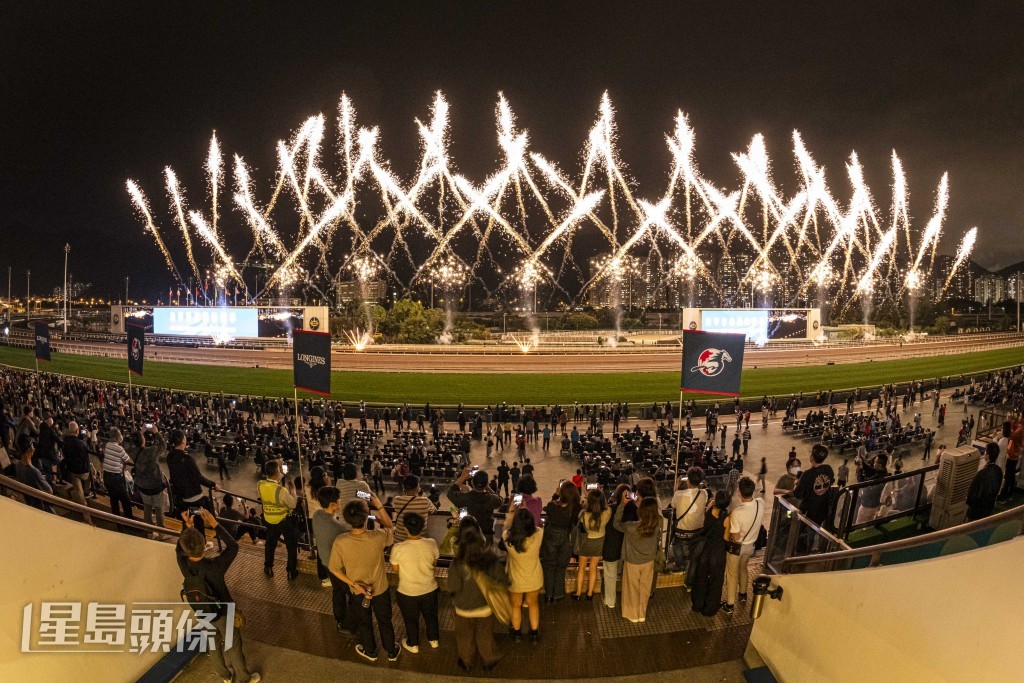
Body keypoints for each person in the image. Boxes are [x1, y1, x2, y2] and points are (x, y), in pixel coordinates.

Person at [177, 507, 261, 683]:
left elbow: (179, 550)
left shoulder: (184, 565)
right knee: (233, 644)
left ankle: (224, 676)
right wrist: (215, 523)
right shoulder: (215, 565)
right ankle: (244, 678)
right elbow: (233, 546)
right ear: (204, 544)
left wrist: (187, 527)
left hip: (202, 611)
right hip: (223, 612)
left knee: (213, 644)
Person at [329, 495, 397, 662]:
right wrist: (379, 506)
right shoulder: (377, 536)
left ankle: (370, 651)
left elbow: (333, 568)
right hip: (380, 589)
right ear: (367, 517)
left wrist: (354, 584)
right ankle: (391, 651)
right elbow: (390, 528)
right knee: (385, 621)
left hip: (358, 592)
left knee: (364, 622)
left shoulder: (341, 541)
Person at [446, 522, 508, 672]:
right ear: (482, 541)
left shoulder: (457, 564)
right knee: (485, 634)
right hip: (485, 608)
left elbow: (453, 587)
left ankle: (466, 661)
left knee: (464, 637)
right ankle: (489, 659)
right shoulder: (490, 561)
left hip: (463, 609)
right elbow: (502, 581)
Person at [390, 512, 441, 653]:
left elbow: (396, 569)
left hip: (407, 591)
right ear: (422, 527)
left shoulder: (398, 548)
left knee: (410, 619)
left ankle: (413, 644)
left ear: (405, 528)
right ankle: (434, 640)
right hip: (429, 589)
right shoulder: (431, 543)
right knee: (431, 616)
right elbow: (434, 562)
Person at [312, 486, 356, 634]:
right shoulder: (338, 528)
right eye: (338, 500)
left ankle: (339, 619)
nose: (340, 501)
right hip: (338, 568)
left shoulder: (317, 515)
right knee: (352, 594)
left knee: (337, 592)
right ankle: (348, 624)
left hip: (326, 562)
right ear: (332, 504)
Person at [613, 495, 661, 623]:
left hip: (633, 562)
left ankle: (633, 614)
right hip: (648, 562)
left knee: (632, 588)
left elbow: (616, 524)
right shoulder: (657, 525)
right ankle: (641, 614)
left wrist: (622, 505)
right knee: (645, 589)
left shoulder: (631, 527)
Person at [502, 507, 543, 642]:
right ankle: (534, 635)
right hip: (534, 577)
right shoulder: (539, 534)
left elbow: (507, 528)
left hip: (515, 578)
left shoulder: (507, 538)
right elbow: (537, 527)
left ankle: (517, 634)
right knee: (533, 604)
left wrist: (511, 512)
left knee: (516, 605)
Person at [723, 477, 763, 615]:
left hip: (737, 548)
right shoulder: (760, 503)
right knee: (743, 568)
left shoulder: (737, 513)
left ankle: (730, 604)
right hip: (750, 546)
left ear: (739, 493)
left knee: (732, 574)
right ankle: (743, 594)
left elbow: (736, 536)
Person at [540, 480, 580, 603]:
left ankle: (548, 595)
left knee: (549, 565)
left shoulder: (553, 507)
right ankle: (558, 594)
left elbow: (547, 507)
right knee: (561, 566)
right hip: (565, 537)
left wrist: (555, 495)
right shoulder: (575, 509)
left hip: (551, 536)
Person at [690, 490, 729, 617]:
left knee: (700, 578)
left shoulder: (708, 511)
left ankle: (697, 605)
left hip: (705, 550)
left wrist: (711, 503)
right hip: (717, 552)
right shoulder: (727, 518)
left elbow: (704, 525)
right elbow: (726, 538)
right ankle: (710, 609)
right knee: (716, 581)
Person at [258, 460, 299, 579]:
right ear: (277, 472)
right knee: (291, 546)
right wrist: (293, 491)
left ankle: (268, 567)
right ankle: (291, 572)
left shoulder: (260, 484)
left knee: (270, 544)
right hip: (284, 521)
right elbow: (293, 505)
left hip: (269, 519)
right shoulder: (281, 490)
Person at [167, 429, 218, 522]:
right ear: (183, 441)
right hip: (195, 499)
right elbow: (199, 477)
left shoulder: (170, 456)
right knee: (199, 522)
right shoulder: (187, 458)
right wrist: (213, 484)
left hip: (182, 499)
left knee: (186, 522)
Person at [669, 467, 707, 586]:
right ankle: (689, 579)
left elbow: (673, 504)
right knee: (693, 555)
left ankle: (679, 565)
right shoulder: (704, 493)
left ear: (688, 480)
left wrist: (676, 486)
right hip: (698, 531)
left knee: (676, 545)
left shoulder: (679, 494)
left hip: (682, 531)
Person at [447, 467, 502, 545]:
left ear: (472, 483)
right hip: (486, 535)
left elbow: (450, 493)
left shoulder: (465, 497)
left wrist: (462, 478)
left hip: (469, 535)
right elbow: (500, 500)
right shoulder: (491, 499)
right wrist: (488, 488)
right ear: (487, 484)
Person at [575, 487, 610, 600]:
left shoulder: (583, 514)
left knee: (581, 567)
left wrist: (586, 499)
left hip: (585, 542)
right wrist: (601, 493)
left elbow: (584, 509)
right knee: (593, 568)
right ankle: (590, 593)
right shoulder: (607, 513)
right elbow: (607, 505)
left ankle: (578, 593)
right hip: (599, 541)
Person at [133, 426, 168, 529]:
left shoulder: (132, 451)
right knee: (159, 509)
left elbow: (133, 443)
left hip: (142, 486)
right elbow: (163, 445)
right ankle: (161, 532)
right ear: (143, 440)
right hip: (155, 486)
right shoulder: (150, 451)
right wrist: (156, 433)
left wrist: (140, 433)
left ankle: (149, 531)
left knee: (147, 509)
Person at [601, 484, 629, 609]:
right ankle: (626, 601)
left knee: (610, 575)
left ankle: (610, 601)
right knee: (624, 575)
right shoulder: (633, 509)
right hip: (626, 548)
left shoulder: (609, 509)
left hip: (611, 546)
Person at [793, 444, 834, 526]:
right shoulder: (828, 468)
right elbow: (831, 482)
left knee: (808, 531)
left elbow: (797, 494)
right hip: (823, 508)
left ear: (812, 457)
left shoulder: (807, 474)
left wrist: (796, 483)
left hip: (809, 512)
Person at [101, 427, 134, 519]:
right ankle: (129, 523)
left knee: (114, 500)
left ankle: (117, 522)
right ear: (117, 437)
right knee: (126, 500)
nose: (121, 436)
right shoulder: (119, 449)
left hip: (107, 476)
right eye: (120, 434)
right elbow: (129, 460)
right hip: (116, 478)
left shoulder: (107, 445)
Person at [966, 442, 1003, 521]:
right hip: (988, 508)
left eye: (985, 452)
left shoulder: (981, 473)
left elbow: (971, 494)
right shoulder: (999, 471)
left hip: (976, 510)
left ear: (988, 456)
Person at [14, 434, 51, 509]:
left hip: (28, 503)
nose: (34, 448)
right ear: (29, 448)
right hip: (38, 506)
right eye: (33, 445)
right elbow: (49, 491)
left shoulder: (17, 465)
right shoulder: (34, 471)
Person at [62, 421, 93, 507]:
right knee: (92, 472)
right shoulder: (81, 443)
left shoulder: (65, 442)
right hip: (83, 471)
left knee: (79, 492)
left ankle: (85, 512)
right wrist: (87, 438)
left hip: (72, 470)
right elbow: (87, 450)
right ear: (77, 431)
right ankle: (87, 491)